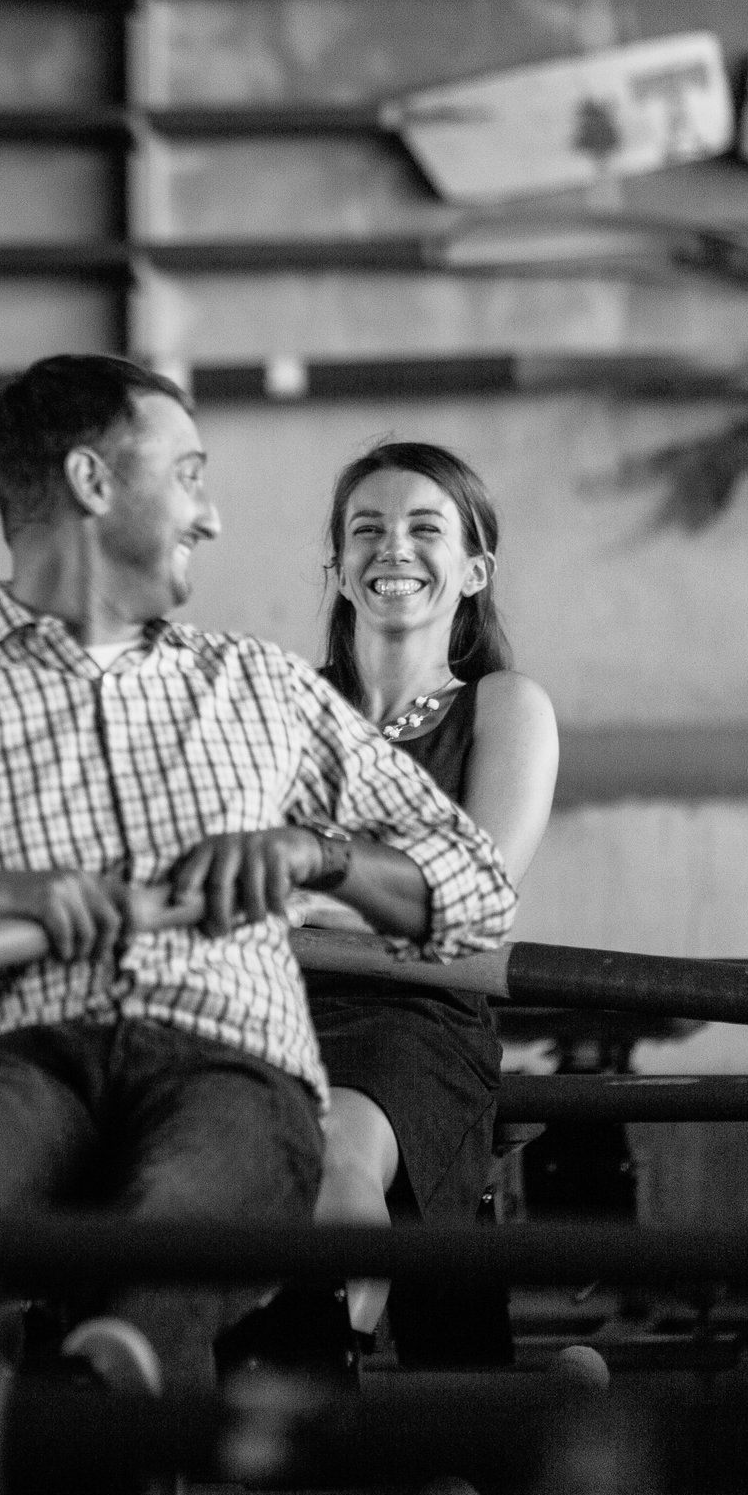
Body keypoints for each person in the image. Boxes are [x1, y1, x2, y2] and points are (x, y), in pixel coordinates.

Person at [0, 359, 518, 1397]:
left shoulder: (259, 688)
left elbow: (479, 886)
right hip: (29, 1060)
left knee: (186, 1200)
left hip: (230, 1061)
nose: (212, 515)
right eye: (187, 475)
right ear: (92, 482)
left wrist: (314, 853)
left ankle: (99, 1382)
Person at [231, 440, 558, 1373]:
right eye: (367, 528)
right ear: (339, 567)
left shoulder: (504, 706)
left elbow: (475, 893)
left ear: (474, 568)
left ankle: (311, 1348)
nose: (394, 547)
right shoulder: (280, 711)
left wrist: (303, 891)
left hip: (414, 1010)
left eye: (424, 527)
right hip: (267, 1006)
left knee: (334, 1145)